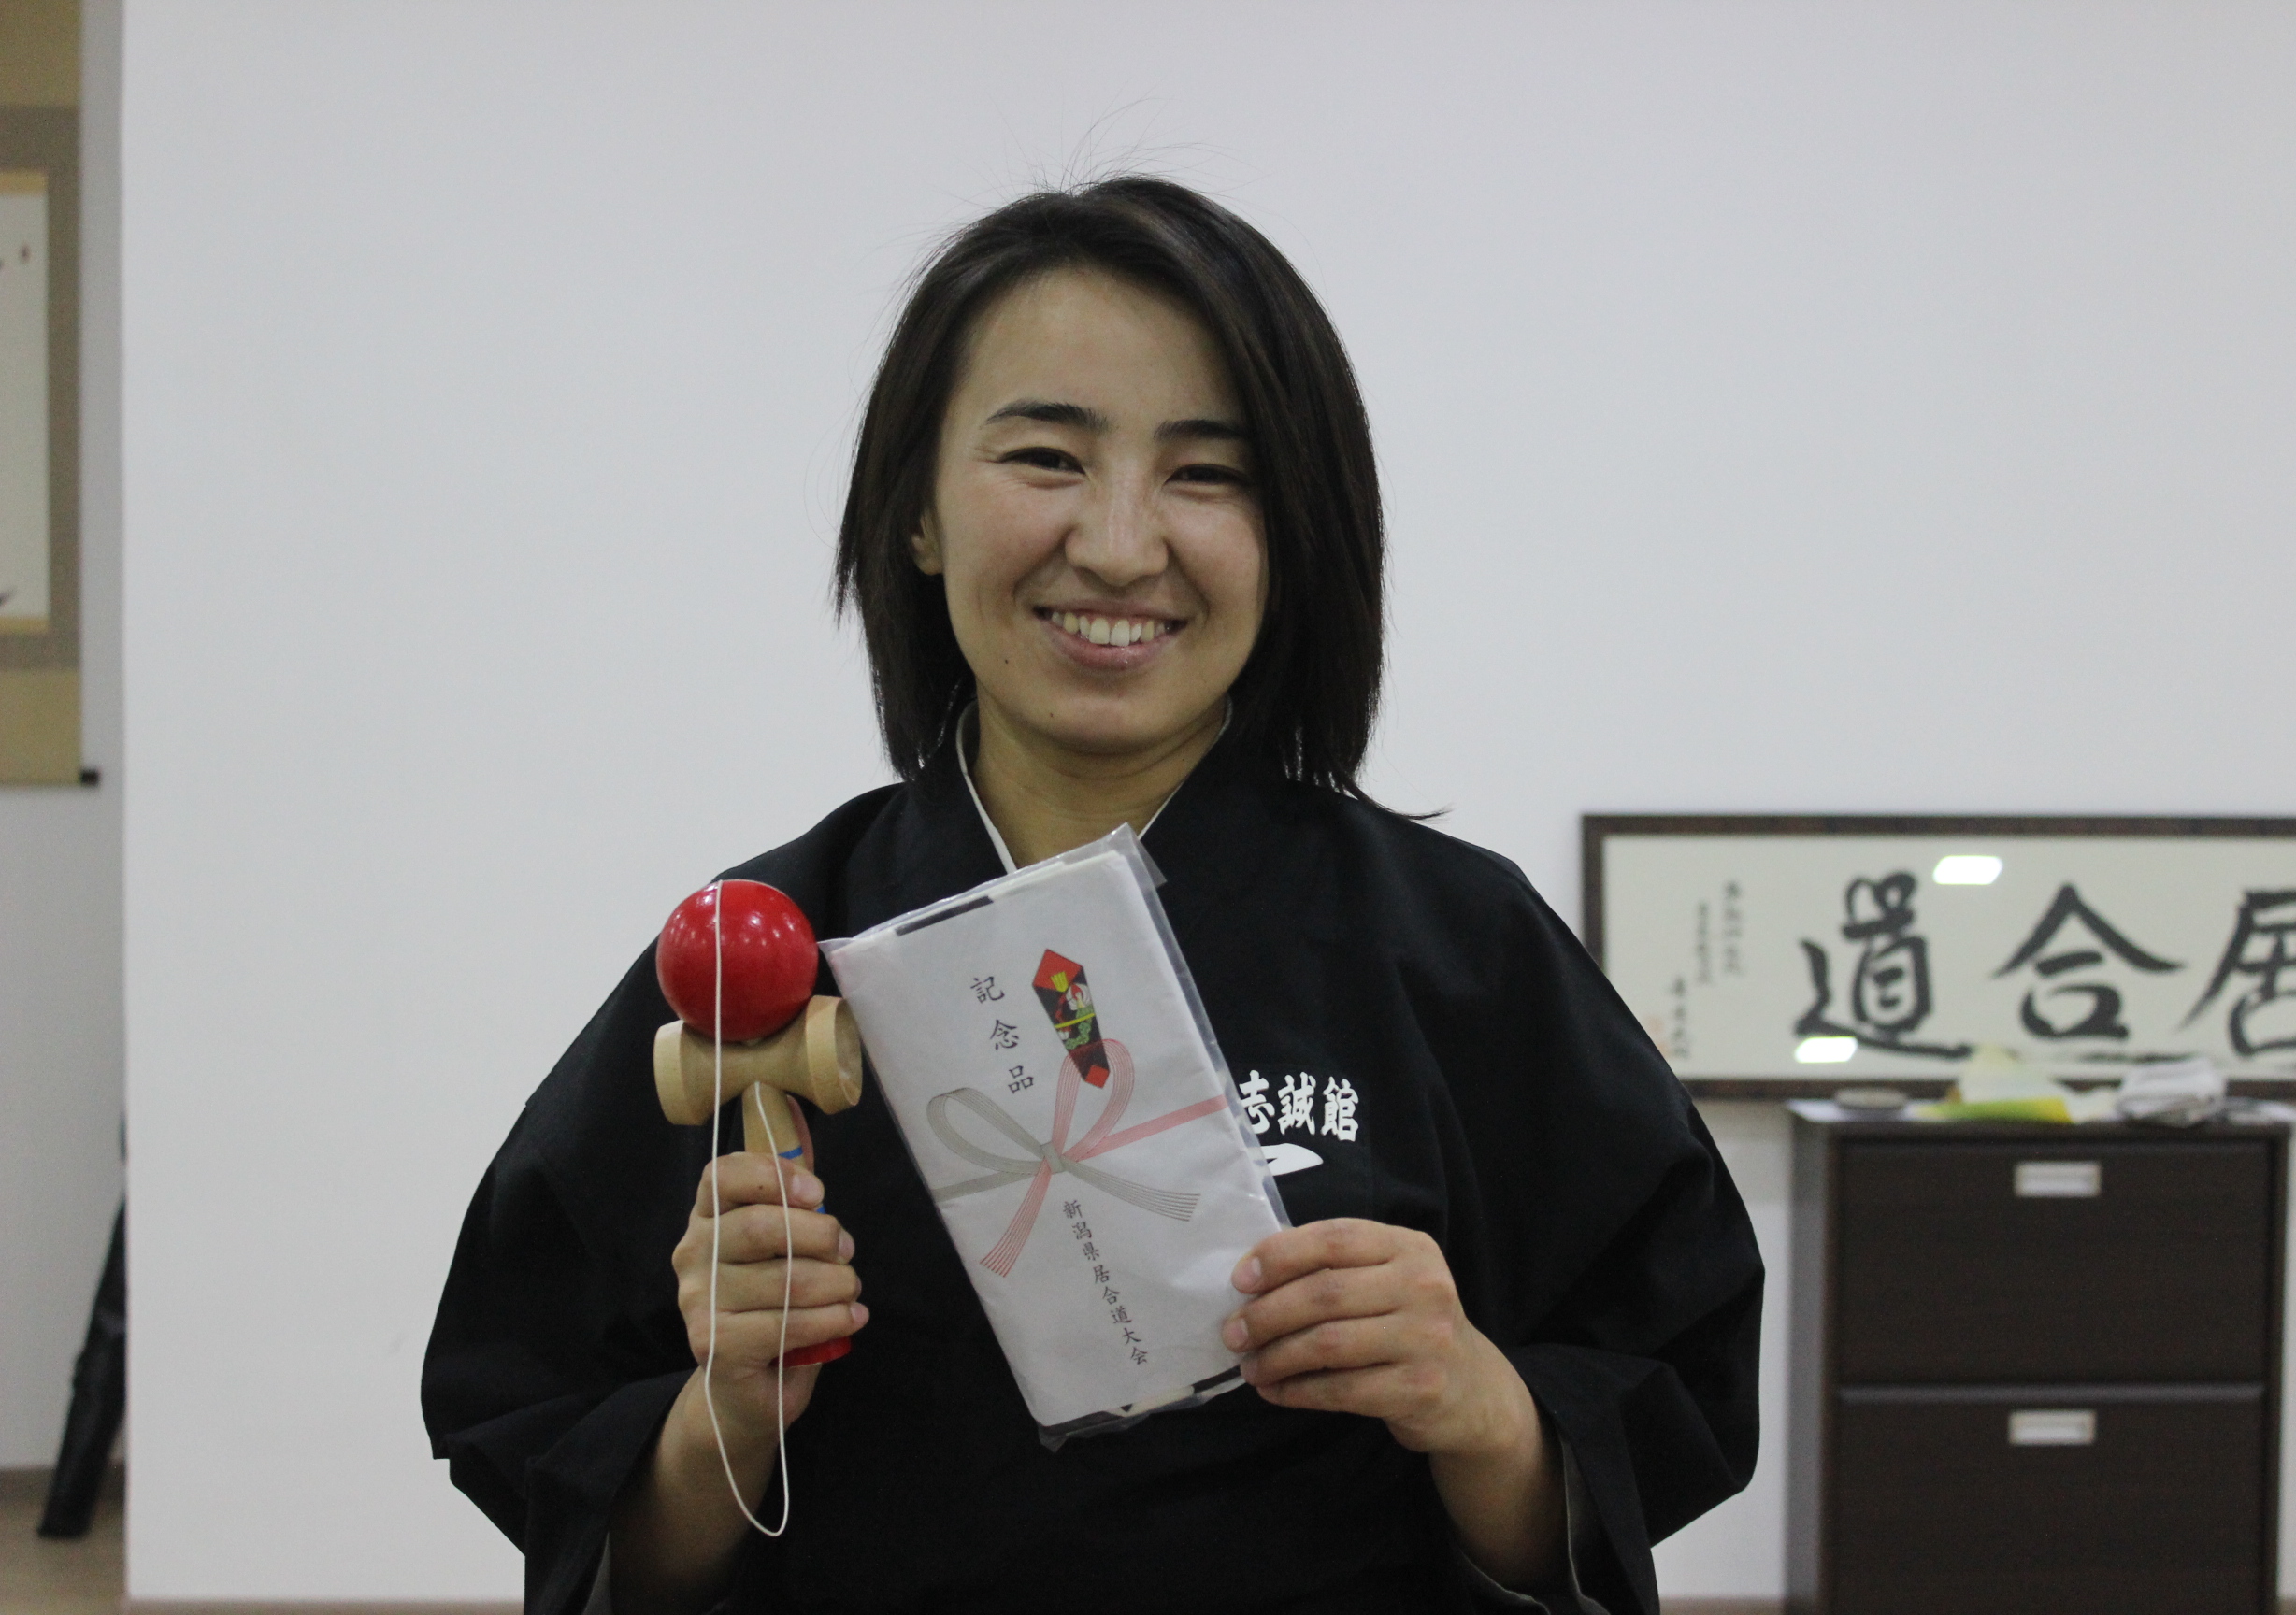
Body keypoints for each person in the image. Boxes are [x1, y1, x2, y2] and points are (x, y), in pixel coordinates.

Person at [423, 177, 1761, 1615]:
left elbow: (1655, 1398)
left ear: (1297, 535)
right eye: (1048, 457)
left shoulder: (1460, 948)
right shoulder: (761, 964)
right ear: (917, 513)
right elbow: (572, 1478)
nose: (1121, 546)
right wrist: (729, 1413)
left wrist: (1477, 1405)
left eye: (1209, 474)